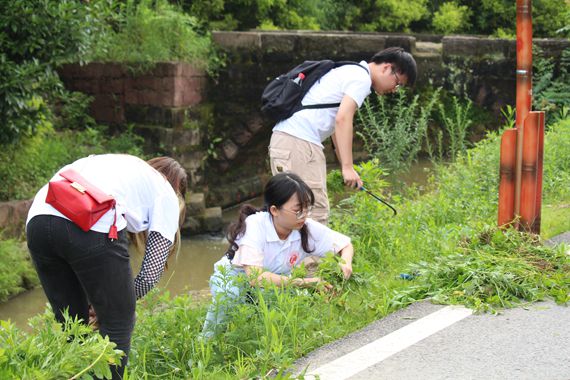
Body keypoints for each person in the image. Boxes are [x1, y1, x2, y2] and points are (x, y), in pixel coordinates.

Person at [26, 154, 187, 379]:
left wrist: (98, 302)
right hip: (90, 222)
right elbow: (150, 275)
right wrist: (119, 302)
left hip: (38, 219)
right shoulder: (166, 192)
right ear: (178, 189)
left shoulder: (119, 165)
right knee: (118, 322)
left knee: (74, 325)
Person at [269, 47, 417, 224]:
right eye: (398, 83)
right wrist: (347, 167)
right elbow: (343, 119)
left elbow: (335, 129)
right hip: (299, 144)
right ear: (387, 68)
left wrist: (346, 166)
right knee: (314, 215)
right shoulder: (361, 78)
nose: (395, 90)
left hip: (288, 141)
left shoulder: (348, 70)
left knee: (291, 217)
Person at [202, 172, 354, 337]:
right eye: (298, 210)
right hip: (234, 278)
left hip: (276, 282)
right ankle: (207, 342)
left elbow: (345, 245)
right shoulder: (255, 226)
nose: (304, 216)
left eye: (307, 209)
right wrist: (306, 282)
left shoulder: (305, 228)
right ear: (274, 210)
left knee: (288, 309)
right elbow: (255, 277)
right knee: (229, 297)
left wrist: (345, 263)